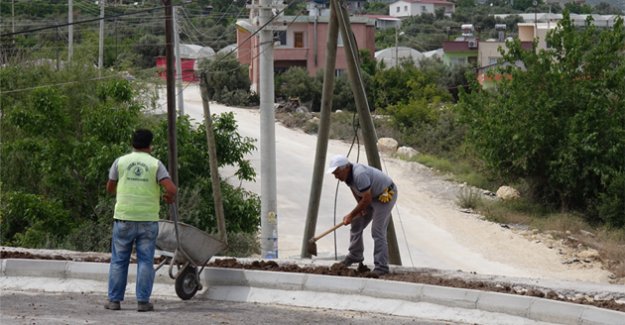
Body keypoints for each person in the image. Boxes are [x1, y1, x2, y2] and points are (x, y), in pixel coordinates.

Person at [104, 129, 177, 312]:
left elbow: (110, 187)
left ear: (132, 144)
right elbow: (171, 188)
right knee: (145, 261)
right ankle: (143, 302)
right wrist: (168, 198)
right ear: (150, 146)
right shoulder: (155, 164)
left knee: (119, 260)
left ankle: (114, 301)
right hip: (147, 220)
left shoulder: (120, 162)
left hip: (124, 218)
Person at [326, 154, 397, 276]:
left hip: (385, 195)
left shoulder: (360, 174)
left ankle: (382, 267)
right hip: (370, 195)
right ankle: (355, 255)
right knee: (356, 222)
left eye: (337, 173)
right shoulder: (347, 176)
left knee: (377, 230)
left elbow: (367, 199)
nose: (336, 177)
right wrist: (359, 207)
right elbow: (354, 189)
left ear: (346, 168)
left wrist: (351, 214)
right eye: (334, 174)